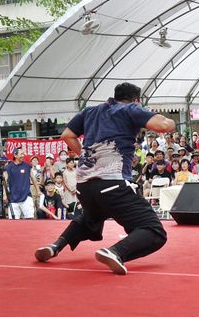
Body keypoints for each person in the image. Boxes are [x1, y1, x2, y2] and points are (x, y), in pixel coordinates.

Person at [34, 82, 176, 275]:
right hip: (112, 184)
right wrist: (170, 121)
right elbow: (163, 125)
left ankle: (55, 246)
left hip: (84, 186)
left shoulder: (90, 111)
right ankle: (116, 252)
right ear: (136, 100)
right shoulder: (131, 108)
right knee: (154, 231)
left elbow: (67, 135)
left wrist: (88, 157)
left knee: (91, 217)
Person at [3, 148, 41, 219]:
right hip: (13, 198)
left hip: (26, 196)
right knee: (13, 221)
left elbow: (33, 178)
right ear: (15, 155)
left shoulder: (27, 166)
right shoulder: (8, 167)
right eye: (21, 154)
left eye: (23, 154)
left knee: (30, 218)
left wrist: (38, 190)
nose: (23, 155)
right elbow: (4, 181)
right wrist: (4, 194)